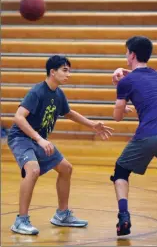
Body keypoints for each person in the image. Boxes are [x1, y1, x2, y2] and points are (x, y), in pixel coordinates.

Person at [8, 55, 113, 235]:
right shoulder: (37, 92)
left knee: (66, 168)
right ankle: (21, 221)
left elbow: (69, 113)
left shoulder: (58, 93)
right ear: (52, 72)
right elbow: (18, 117)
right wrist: (39, 139)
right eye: (65, 70)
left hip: (38, 139)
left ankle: (62, 215)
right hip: (21, 138)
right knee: (32, 170)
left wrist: (92, 125)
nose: (68, 74)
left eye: (69, 70)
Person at [110, 36, 157, 236]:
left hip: (147, 136)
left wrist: (123, 104)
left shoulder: (126, 83)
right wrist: (124, 73)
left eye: (126, 52)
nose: (125, 55)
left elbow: (117, 117)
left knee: (121, 171)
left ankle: (124, 217)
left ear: (132, 54)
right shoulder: (156, 75)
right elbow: (143, 82)